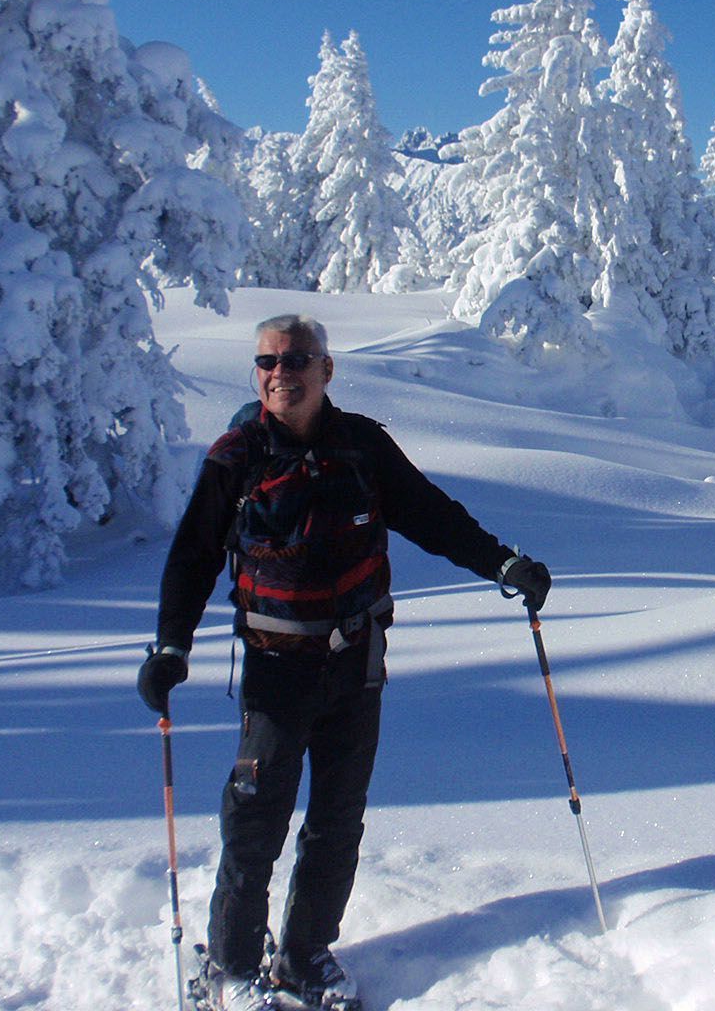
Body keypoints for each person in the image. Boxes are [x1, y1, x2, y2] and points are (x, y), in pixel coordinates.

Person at [136, 313, 551, 1011]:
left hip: (357, 661)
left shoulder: (362, 446)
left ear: (326, 370)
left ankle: (305, 956)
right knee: (256, 820)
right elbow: (193, 555)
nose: (281, 373)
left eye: (297, 359)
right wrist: (171, 646)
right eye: (268, 361)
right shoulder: (237, 457)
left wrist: (503, 564)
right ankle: (232, 968)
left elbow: (431, 515)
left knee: (337, 817)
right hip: (276, 667)